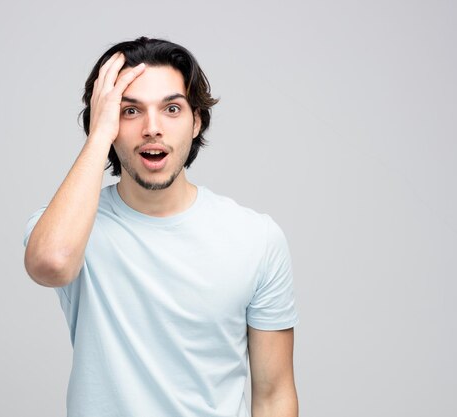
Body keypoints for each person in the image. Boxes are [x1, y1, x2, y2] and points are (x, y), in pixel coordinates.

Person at [23, 36, 299, 417]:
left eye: (171, 108)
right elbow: (52, 263)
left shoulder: (257, 238)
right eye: (130, 111)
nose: (153, 128)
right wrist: (99, 135)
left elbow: (274, 395)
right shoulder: (69, 227)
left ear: (196, 120)